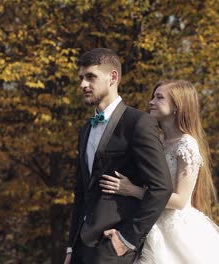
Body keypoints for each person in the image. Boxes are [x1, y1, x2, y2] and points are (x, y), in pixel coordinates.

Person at [100, 80, 219, 263]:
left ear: (177, 106)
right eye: (153, 96)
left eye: (159, 98)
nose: (151, 102)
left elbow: (180, 201)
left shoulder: (186, 144)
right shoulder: (155, 141)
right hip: (148, 221)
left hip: (176, 231)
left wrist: (132, 190)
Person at [64, 48, 174, 264]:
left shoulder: (138, 123)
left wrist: (128, 238)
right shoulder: (86, 129)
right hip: (80, 247)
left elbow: (162, 188)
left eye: (90, 77)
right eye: (81, 78)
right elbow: (81, 190)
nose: (83, 85)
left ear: (113, 77)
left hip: (114, 247)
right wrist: (70, 246)